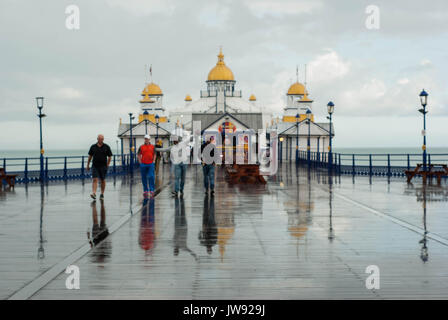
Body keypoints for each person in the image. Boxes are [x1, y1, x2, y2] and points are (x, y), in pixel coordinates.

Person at [87, 134, 113, 200]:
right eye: (100, 138)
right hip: (95, 166)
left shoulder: (106, 147)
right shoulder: (93, 147)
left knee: (103, 180)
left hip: (103, 166)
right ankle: (94, 193)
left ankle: (102, 194)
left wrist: (108, 164)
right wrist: (87, 165)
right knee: (95, 179)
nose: (101, 140)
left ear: (103, 139)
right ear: (97, 139)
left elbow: (110, 156)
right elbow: (90, 156)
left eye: (102, 139)